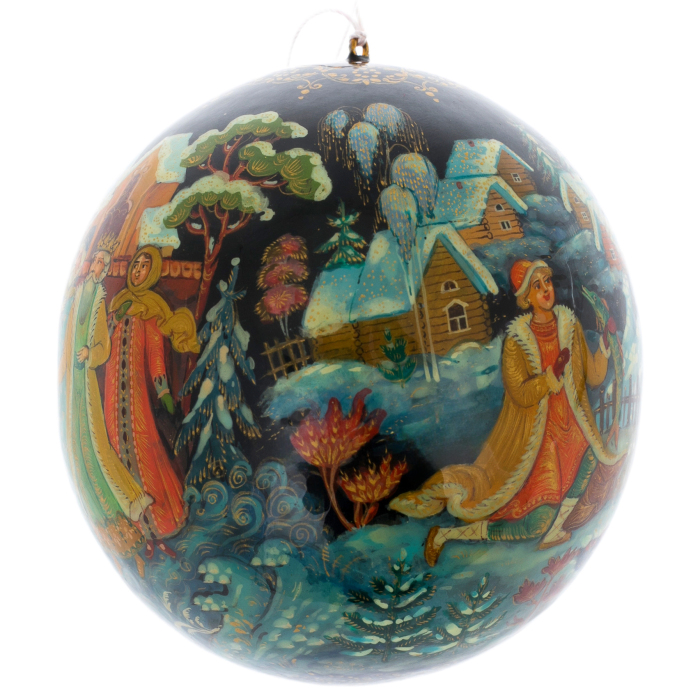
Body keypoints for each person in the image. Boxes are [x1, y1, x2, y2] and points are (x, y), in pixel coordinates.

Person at [390, 259, 622, 566]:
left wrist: (604, 346)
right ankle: (447, 535)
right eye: (536, 286)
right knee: (533, 524)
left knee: (592, 459)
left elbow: (593, 376)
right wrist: (549, 378)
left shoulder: (570, 325)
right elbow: (520, 393)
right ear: (526, 297)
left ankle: (557, 529)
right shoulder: (517, 343)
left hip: (574, 430)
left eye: (547, 282)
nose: (545, 290)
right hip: (540, 443)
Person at [61, 244, 152, 568]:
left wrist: (90, 352)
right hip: (71, 383)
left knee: (95, 441)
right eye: (96, 260)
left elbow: (103, 345)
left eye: (103, 263)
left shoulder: (99, 301)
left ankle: (125, 503)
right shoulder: (76, 296)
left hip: (85, 379)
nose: (97, 265)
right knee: (77, 439)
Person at [104, 245, 199, 558]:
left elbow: (157, 357)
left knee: (144, 452)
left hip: (136, 397)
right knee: (117, 451)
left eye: (145, 265)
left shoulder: (152, 309)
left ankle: (159, 526)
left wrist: (164, 394)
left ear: (153, 272)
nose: (137, 270)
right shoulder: (117, 306)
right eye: (136, 264)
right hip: (112, 396)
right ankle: (134, 531)